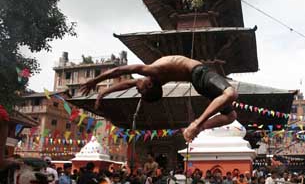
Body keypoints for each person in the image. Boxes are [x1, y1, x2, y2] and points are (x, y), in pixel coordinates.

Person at [80, 55, 238, 142]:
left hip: (199, 77)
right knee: (230, 94)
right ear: (149, 86)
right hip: (199, 74)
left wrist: (99, 86)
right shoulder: (153, 74)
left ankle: (198, 126)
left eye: (139, 90)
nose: (137, 86)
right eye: (140, 90)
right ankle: (197, 125)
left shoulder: (154, 75)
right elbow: (124, 77)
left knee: (231, 116)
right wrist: (99, 87)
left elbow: (123, 76)